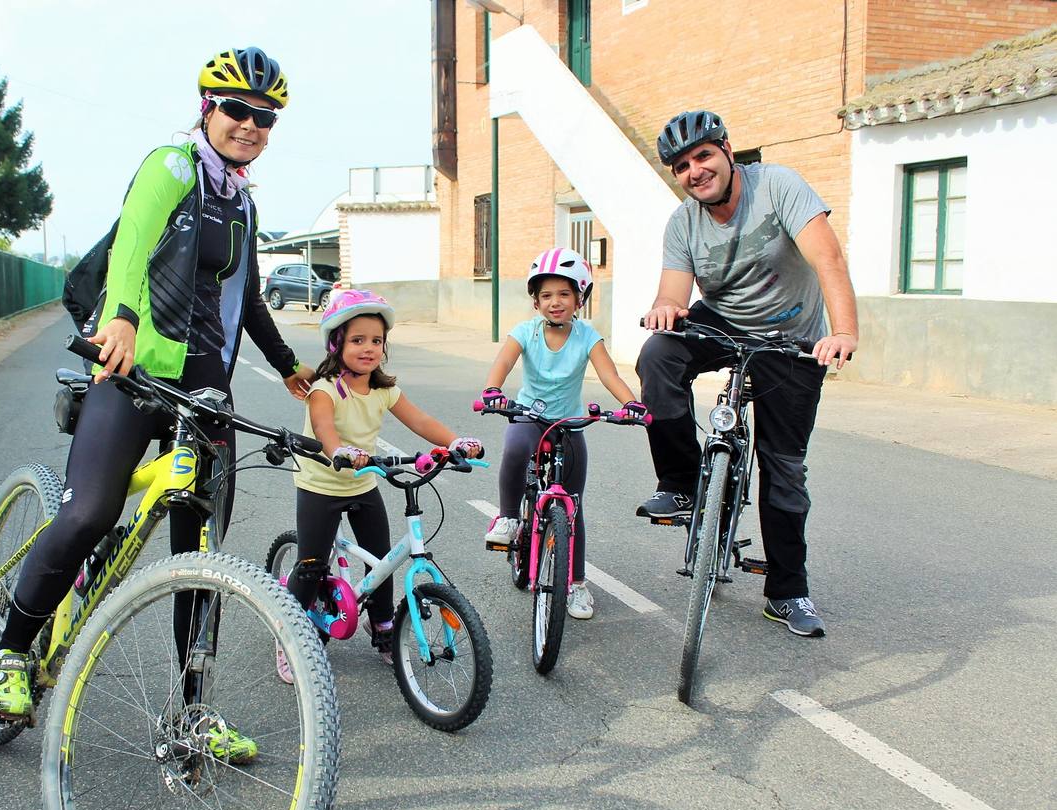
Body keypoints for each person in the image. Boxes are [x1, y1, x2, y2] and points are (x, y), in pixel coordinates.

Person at [0, 47, 317, 757]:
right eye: (237, 110)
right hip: (133, 371)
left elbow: (248, 297)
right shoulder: (171, 166)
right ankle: (11, 652)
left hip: (205, 395)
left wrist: (289, 367)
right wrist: (123, 319)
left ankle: (193, 712)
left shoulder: (242, 200)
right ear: (207, 109)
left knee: (201, 555)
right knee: (90, 511)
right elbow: (134, 243)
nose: (251, 125)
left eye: (265, 116)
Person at [638, 109, 858, 638]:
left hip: (793, 339)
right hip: (724, 323)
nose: (696, 170)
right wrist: (666, 308)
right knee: (658, 354)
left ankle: (788, 593)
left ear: (727, 151)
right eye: (683, 165)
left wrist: (844, 332)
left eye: (704, 155)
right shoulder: (683, 222)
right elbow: (673, 292)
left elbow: (828, 261)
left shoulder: (779, 187)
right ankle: (683, 483)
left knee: (783, 471)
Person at [277, 290, 483, 683]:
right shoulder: (325, 389)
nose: (369, 348)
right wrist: (339, 451)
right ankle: (290, 635)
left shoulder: (384, 389)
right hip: (321, 484)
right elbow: (324, 429)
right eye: (357, 340)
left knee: (382, 558)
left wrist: (456, 442)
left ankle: (384, 627)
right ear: (336, 344)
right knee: (311, 565)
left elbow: (420, 420)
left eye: (376, 340)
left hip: (361, 484)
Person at [480, 248, 648, 621]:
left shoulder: (588, 336)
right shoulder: (525, 332)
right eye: (546, 295)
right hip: (528, 416)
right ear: (536, 301)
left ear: (580, 298)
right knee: (514, 447)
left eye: (564, 294)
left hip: (569, 424)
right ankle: (508, 517)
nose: (555, 302)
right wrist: (493, 389)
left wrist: (630, 403)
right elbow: (504, 362)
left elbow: (609, 375)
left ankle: (576, 584)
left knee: (573, 506)